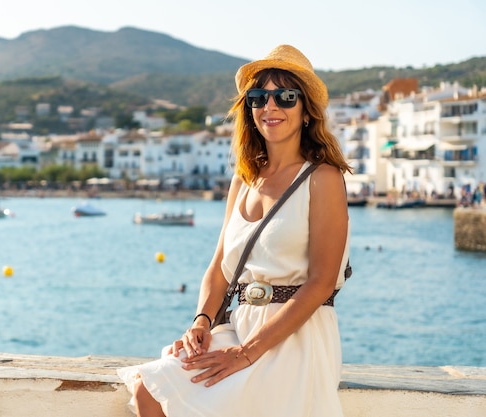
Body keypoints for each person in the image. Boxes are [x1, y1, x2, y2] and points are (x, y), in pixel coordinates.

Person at [117, 44, 352, 417]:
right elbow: (219, 268)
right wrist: (201, 321)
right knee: (150, 390)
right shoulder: (244, 180)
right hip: (239, 326)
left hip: (294, 338)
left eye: (285, 97)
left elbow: (322, 282)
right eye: (259, 97)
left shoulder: (323, 178)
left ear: (306, 110)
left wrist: (246, 353)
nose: (270, 107)